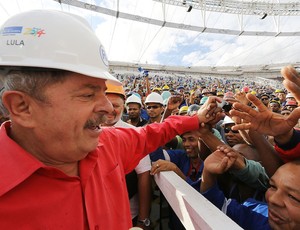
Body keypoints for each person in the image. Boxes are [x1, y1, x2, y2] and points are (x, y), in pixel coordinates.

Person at [0, 10, 222, 229]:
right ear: (23, 107)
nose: (108, 108)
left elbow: (152, 133)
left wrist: (195, 119)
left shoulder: (110, 143)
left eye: (103, 93)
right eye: (88, 95)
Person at [200, 146, 300, 230]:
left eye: (293, 197)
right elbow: (217, 209)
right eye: (273, 186)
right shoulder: (257, 211)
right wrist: (208, 173)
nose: (273, 199)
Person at [103, 83, 152, 229]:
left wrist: (143, 220)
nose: (110, 110)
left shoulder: (134, 134)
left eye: (116, 106)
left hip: (129, 216)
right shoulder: (84, 131)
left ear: (123, 106)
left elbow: (143, 175)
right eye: (106, 104)